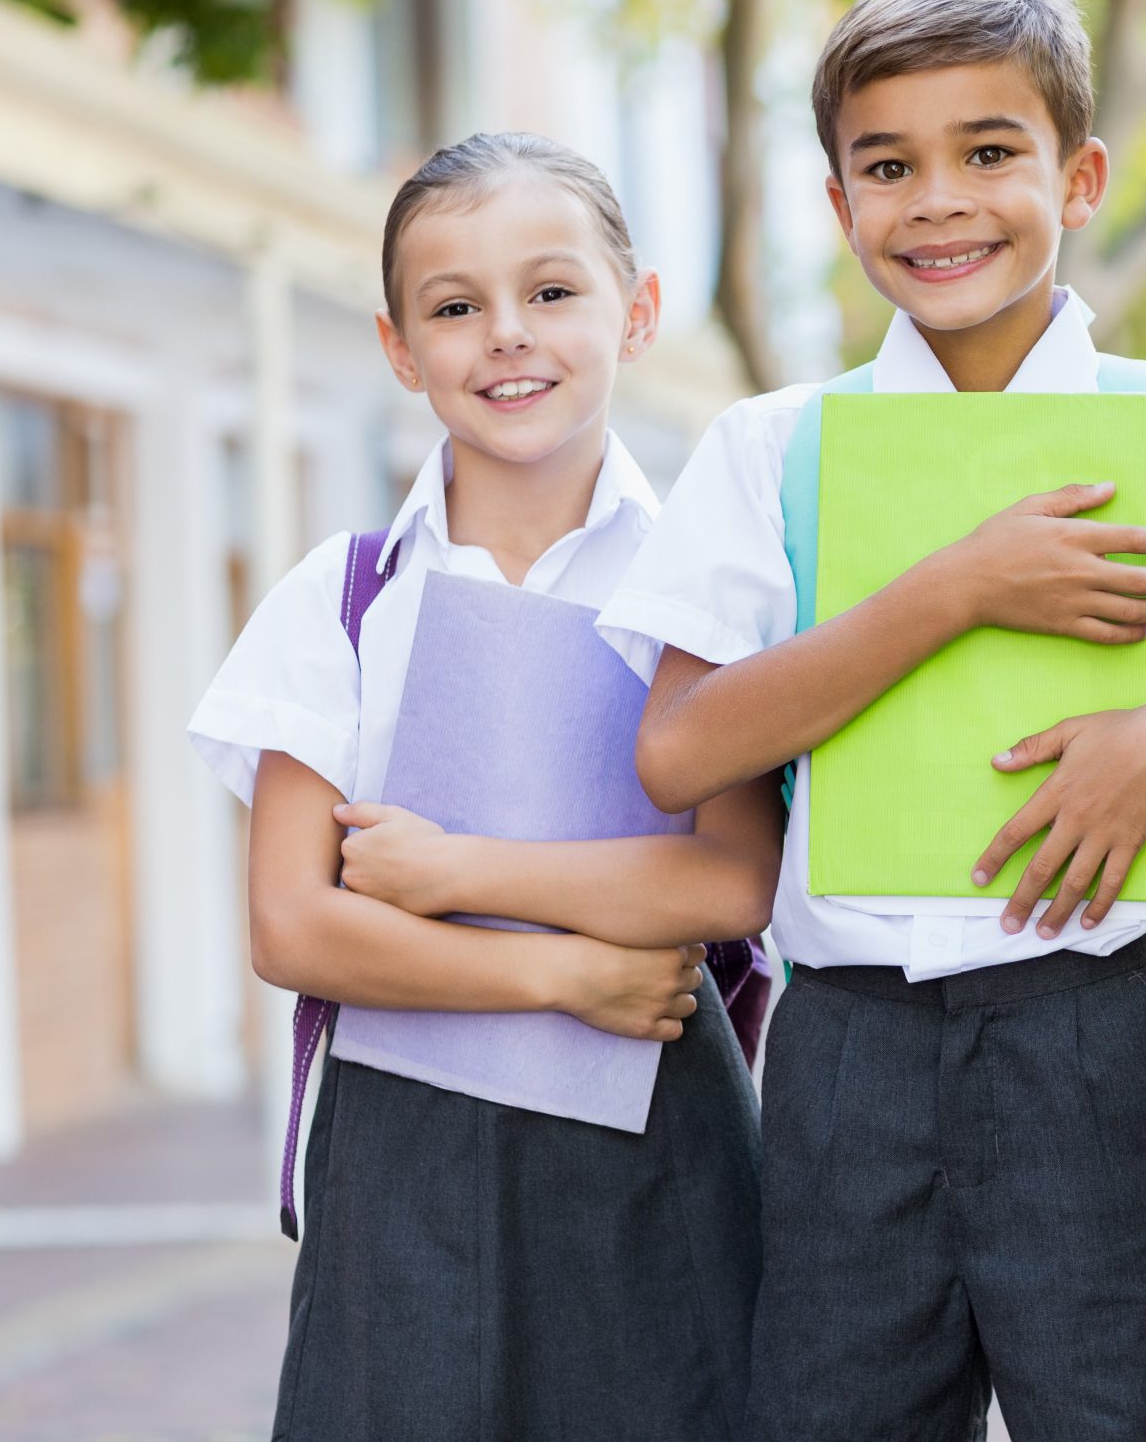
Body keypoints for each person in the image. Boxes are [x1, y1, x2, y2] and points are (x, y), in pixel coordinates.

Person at [597, 0, 1146, 1441]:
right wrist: (955, 589)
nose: (939, 200)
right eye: (889, 166)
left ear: (1078, 175)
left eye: (989, 153)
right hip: (848, 1059)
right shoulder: (775, 450)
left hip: (1101, 1040)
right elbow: (680, 746)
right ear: (839, 207)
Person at [189, 132, 782, 1442]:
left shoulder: (712, 585)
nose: (506, 336)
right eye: (456, 308)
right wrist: (561, 973)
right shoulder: (344, 599)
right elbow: (296, 926)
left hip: (655, 1140)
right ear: (402, 348)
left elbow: (733, 875)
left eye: (553, 293)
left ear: (637, 311)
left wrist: (456, 875)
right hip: (409, 1157)